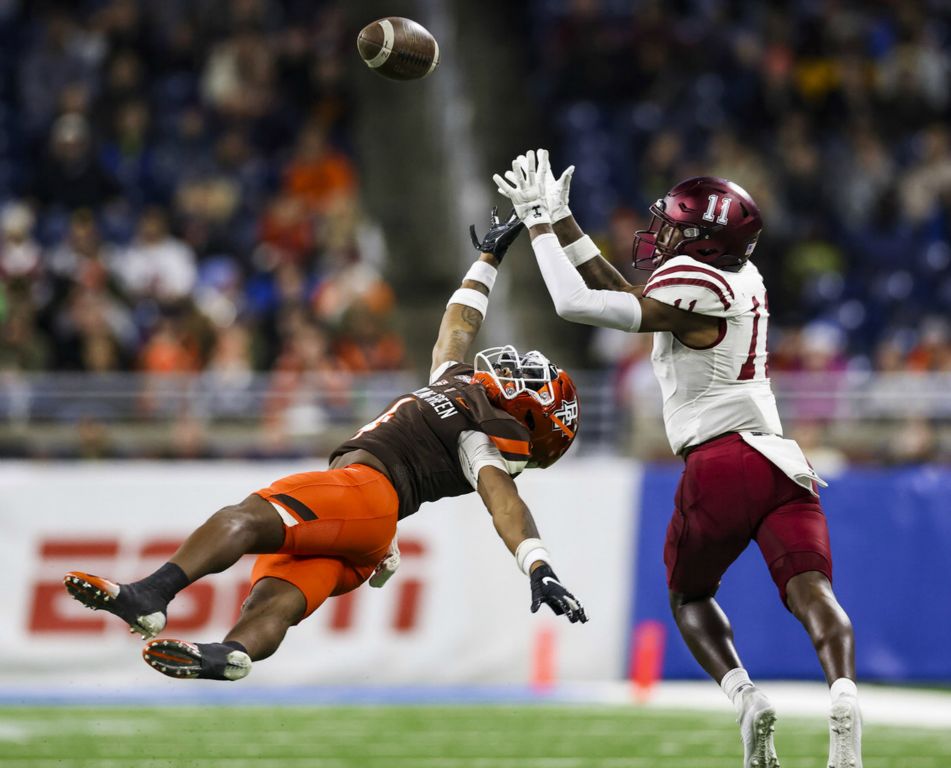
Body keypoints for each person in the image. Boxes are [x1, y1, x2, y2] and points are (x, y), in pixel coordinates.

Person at [63, 208, 587, 681]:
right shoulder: (461, 383)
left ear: (526, 416)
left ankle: (151, 594)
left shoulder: (481, 443)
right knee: (271, 601)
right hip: (368, 532)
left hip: (363, 495)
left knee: (243, 517)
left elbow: (506, 508)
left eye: (531, 385)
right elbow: (458, 324)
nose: (521, 369)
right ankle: (230, 654)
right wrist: (488, 258)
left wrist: (538, 565)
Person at [493, 150, 861, 768]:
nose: (661, 232)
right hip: (781, 460)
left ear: (705, 241)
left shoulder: (697, 287)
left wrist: (534, 222)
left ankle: (745, 698)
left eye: (676, 226)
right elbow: (630, 298)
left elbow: (579, 305)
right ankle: (845, 699)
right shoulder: (742, 281)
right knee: (812, 589)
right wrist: (564, 223)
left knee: (689, 597)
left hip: (721, 461)